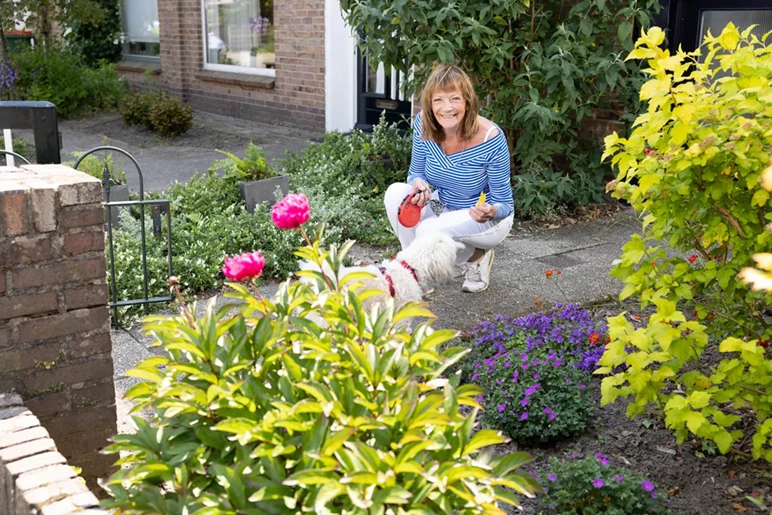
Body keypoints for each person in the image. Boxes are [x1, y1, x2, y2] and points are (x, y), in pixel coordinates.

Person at [384, 64, 514, 293]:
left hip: (484, 216)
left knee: (428, 231)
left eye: (454, 99)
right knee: (395, 194)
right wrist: (420, 185)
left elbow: (504, 203)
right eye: (438, 100)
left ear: (467, 101)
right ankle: (416, 273)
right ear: (429, 103)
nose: (446, 108)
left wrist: (490, 211)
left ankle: (477, 255)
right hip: (442, 204)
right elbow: (416, 172)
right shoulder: (424, 123)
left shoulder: (490, 137)